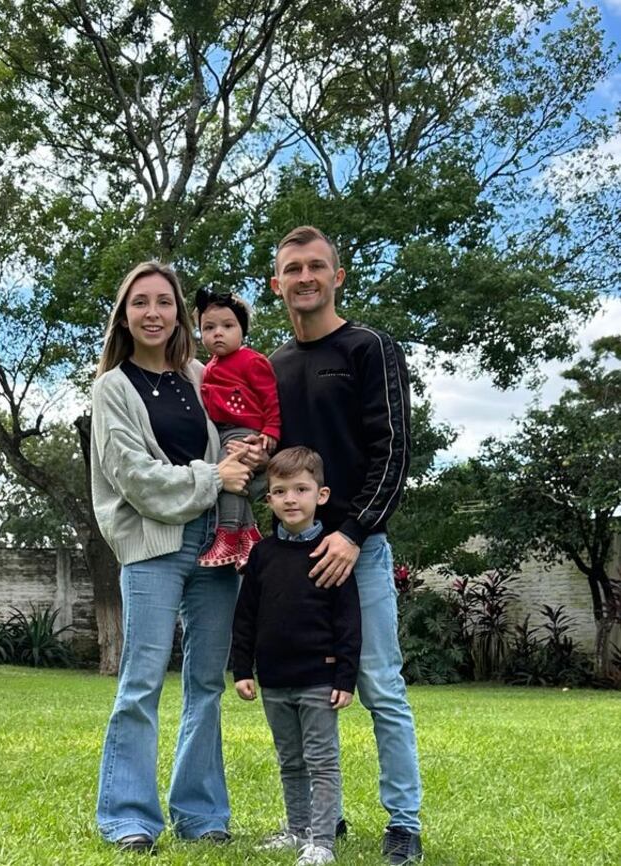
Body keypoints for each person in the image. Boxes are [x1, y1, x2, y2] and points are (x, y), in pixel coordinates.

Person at [233, 226, 422, 864]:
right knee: (297, 689)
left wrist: (352, 531)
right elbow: (276, 457)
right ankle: (321, 820)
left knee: (378, 685)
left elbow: (393, 449)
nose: (305, 277)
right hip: (290, 558)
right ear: (276, 283)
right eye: (293, 268)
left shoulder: (369, 348)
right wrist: (253, 458)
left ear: (337, 277)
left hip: (358, 551)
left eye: (317, 266)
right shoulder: (273, 366)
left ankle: (404, 823)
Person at [90, 261, 252, 853]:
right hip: (152, 545)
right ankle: (129, 818)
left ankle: (202, 814)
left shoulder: (201, 374)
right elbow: (134, 476)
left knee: (206, 682)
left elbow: (240, 431)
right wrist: (215, 474)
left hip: (216, 541)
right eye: (140, 303)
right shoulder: (113, 386)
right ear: (125, 315)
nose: (153, 312)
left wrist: (248, 447)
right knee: (141, 682)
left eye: (164, 301)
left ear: (179, 312)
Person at [232, 447, 361, 866]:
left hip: (319, 680)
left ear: (320, 495)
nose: (291, 499)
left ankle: (322, 841)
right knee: (290, 761)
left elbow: (347, 622)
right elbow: (246, 616)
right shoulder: (261, 555)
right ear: (267, 499)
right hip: (273, 679)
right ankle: (297, 830)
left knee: (322, 762)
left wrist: (345, 677)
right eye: (280, 491)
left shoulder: (331, 552)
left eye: (301, 489)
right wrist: (241, 668)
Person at [194, 287, 281, 569]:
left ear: (241, 330)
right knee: (233, 480)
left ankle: (229, 534)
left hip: (245, 431)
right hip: (221, 432)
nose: (218, 333)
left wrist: (271, 431)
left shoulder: (251, 361)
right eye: (209, 327)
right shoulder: (208, 368)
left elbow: (270, 399)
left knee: (226, 478)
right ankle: (250, 535)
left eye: (227, 326)